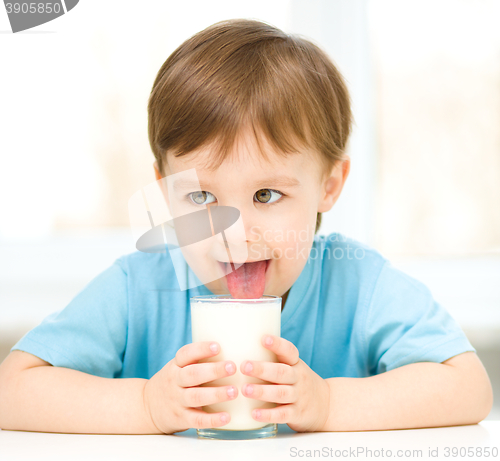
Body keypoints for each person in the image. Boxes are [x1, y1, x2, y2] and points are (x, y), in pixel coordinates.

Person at [0, 19, 493, 435]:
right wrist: (146, 405)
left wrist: (330, 404)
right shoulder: (139, 287)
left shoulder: (359, 284)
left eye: (266, 195)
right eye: (200, 197)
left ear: (329, 184)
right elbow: (13, 391)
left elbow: (469, 387)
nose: (233, 235)